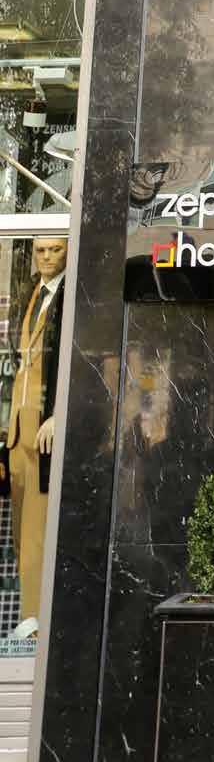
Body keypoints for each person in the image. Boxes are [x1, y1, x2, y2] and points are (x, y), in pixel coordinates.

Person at [7, 237, 67, 628]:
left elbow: (80, 358)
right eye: (40, 250)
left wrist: (59, 411)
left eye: (55, 249)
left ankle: (35, 620)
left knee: (37, 530)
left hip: (44, 427)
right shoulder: (29, 293)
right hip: (17, 427)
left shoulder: (71, 295)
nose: (46, 257)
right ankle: (28, 615)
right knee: (19, 527)